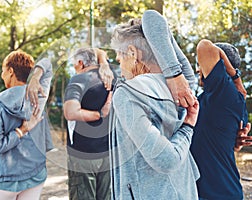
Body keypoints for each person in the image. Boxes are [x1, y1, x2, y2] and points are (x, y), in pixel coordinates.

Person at [109, 17, 200, 199]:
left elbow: (167, 160)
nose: (119, 63)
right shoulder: (184, 87)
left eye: (120, 56)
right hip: (185, 191)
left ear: (133, 53)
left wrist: (188, 129)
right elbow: (154, 21)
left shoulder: (128, 93)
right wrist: (174, 73)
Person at [0, 50, 53, 200]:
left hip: (3, 179)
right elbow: (47, 62)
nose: (2, 76)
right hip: (35, 175)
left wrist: (21, 131)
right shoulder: (39, 96)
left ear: (11, 71)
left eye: (3, 71)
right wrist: (36, 77)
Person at [190, 39, 250, 200]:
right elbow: (226, 143)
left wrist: (235, 77)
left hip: (217, 194)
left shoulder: (224, 93)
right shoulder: (219, 97)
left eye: (199, 64)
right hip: (218, 191)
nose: (198, 69)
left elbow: (205, 46)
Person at [63, 47, 113, 200]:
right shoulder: (111, 78)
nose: (74, 68)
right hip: (107, 154)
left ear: (80, 63)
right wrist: (104, 63)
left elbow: (70, 112)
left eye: (74, 65)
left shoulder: (79, 79)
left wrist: (99, 114)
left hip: (82, 154)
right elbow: (99, 51)